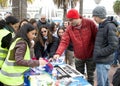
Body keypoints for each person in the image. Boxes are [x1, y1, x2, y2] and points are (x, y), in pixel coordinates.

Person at [53, 8, 98, 85]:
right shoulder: (69, 28)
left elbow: (97, 37)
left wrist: (97, 51)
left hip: (91, 55)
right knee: (79, 77)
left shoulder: (89, 23)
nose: (70, 22)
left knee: (91, 77)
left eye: (71, 20)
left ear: (77, 17)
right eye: (69, 20)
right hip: (78, 56)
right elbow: (64, 41)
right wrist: (58, 53)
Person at [92, 6, 119, 86]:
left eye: (95, 16)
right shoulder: (102, 25)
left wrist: (99, 52)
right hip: (102, 59)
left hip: (103, 60)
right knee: (105, 81)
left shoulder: (109, 26)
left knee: (101, 82)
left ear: (99, 16)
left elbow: (114, 45)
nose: (94, 19)